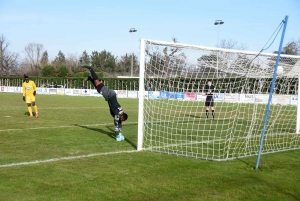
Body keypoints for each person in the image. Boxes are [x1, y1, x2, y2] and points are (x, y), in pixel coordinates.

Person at [82, 65, 128, 141]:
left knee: (98, 89)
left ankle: (90, 78)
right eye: (122, 119)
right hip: (110, 95)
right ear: (122, 116)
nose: (121, 120)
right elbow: (116, 124)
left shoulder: (120, 114)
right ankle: (90, 68)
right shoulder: (117, 114)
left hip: (111, 96)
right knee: (97, 83)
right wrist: (117, 135)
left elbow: (119, 123)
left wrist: (121, 133)